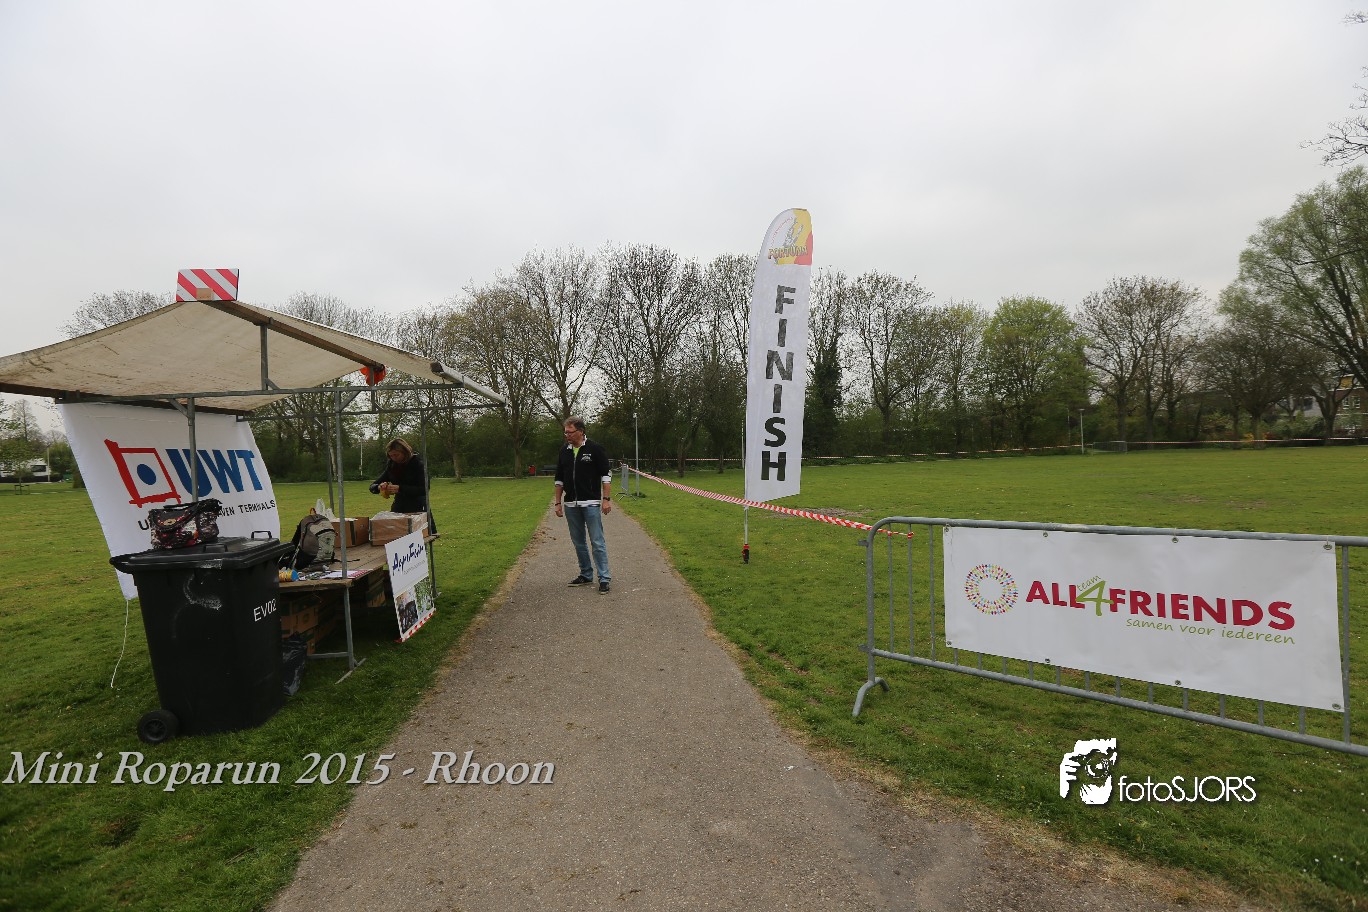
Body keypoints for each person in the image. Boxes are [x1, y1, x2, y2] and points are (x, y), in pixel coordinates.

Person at [553, 416, 612, 593]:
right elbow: (559, 479)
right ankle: (586, 574)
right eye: (565, 432)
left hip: (591, 503)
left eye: (570, 432)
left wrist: (606, 499)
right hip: (571, 504)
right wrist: (557, 502)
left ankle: (604, 578)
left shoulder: (594, 449)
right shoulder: (564, 451)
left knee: (597, 541)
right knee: (578, 542)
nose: (567, 435)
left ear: (581, 431)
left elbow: (606, 475)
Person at [369, 437, 434, 532]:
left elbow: (424, 489)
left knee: (418, 536)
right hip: (399, 507)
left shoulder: (418, 464)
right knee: (396, 535)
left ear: (405, 452)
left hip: (418, 508)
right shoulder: (392, 465)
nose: (394, 458)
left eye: (396, 455)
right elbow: (372, 486)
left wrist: (400, 488)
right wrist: (379, 487)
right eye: (391, 455)